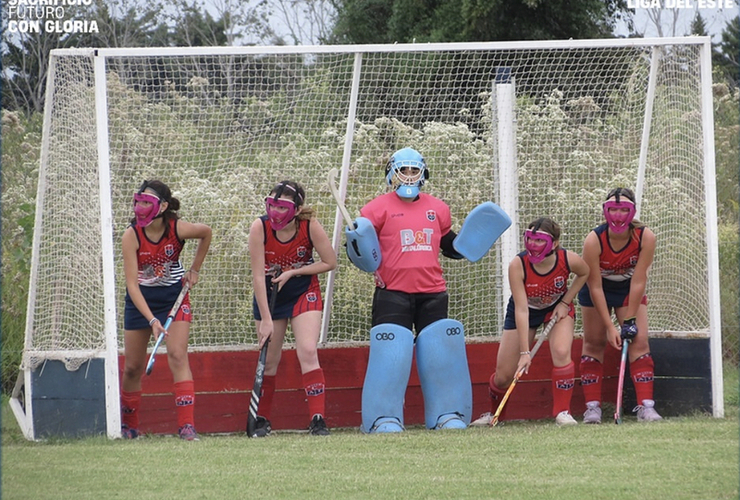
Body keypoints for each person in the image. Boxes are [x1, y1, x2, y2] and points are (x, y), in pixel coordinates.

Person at [352, 147, 474, 433]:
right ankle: (384, 417)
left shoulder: (438, 208)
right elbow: (364, 255)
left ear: (423, 173)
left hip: (432, 292)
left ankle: (445, 414)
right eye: (403, 170)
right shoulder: (375, 209)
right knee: (390, 354)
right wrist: (354, 244)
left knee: (439, 355)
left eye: (413, 170)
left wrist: (470, 244)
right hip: (392, 292)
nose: (408, 176)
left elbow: (449, 246)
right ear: (392, 173)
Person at [472, 217, 589, 426]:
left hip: (556, 308)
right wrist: (525, 353)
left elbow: (584, 272)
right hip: (525, 311)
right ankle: (495, 415)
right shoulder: (518, 265)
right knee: (503, 376)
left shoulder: (568, 259)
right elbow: (522, 309)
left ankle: (563, 412)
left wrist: (565, 301)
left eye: (540, 241)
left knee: (562, 352)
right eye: (530, 240)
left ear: (554, 243)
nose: (533, 246)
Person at [120, 180, 212, 441]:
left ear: (163, 206)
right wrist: (151, 320)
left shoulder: (177, 229)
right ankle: (129, 426)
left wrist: (194, 269)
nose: (141, 207)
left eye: (147, 202)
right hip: (141, 302)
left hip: (174, 297)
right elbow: (132, 285)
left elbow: (206, 232)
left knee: (177, 355)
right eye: (139, 202)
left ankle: (186, 426)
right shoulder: (132, 235)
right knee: (133, 367)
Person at [248, 180, 337, 437]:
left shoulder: (309, 226)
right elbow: (256, 277)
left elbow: (329, 261)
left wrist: (295, 272)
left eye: (283, 207)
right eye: (272, 205)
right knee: (271, 360)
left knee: (308, 350)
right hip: (270, 293)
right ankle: (262, 417)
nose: (275, 212)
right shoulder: (259, 227)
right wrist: (265, 318)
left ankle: (317, 419)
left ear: (297, 210)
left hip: (302, 288)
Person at [578, 187, 662, 423]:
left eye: (623, 209)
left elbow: (639, 280)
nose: (617, 215)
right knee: (594, 342)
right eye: (612, 209)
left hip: (628, 289)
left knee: (639, 340)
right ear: (605, 212)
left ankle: (646, 407)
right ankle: (593, 408)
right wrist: (610, 326)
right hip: (598, 290)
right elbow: (594, 286)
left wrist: (631, 320)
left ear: (633, 211)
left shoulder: (646, 237)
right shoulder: (594, 240)